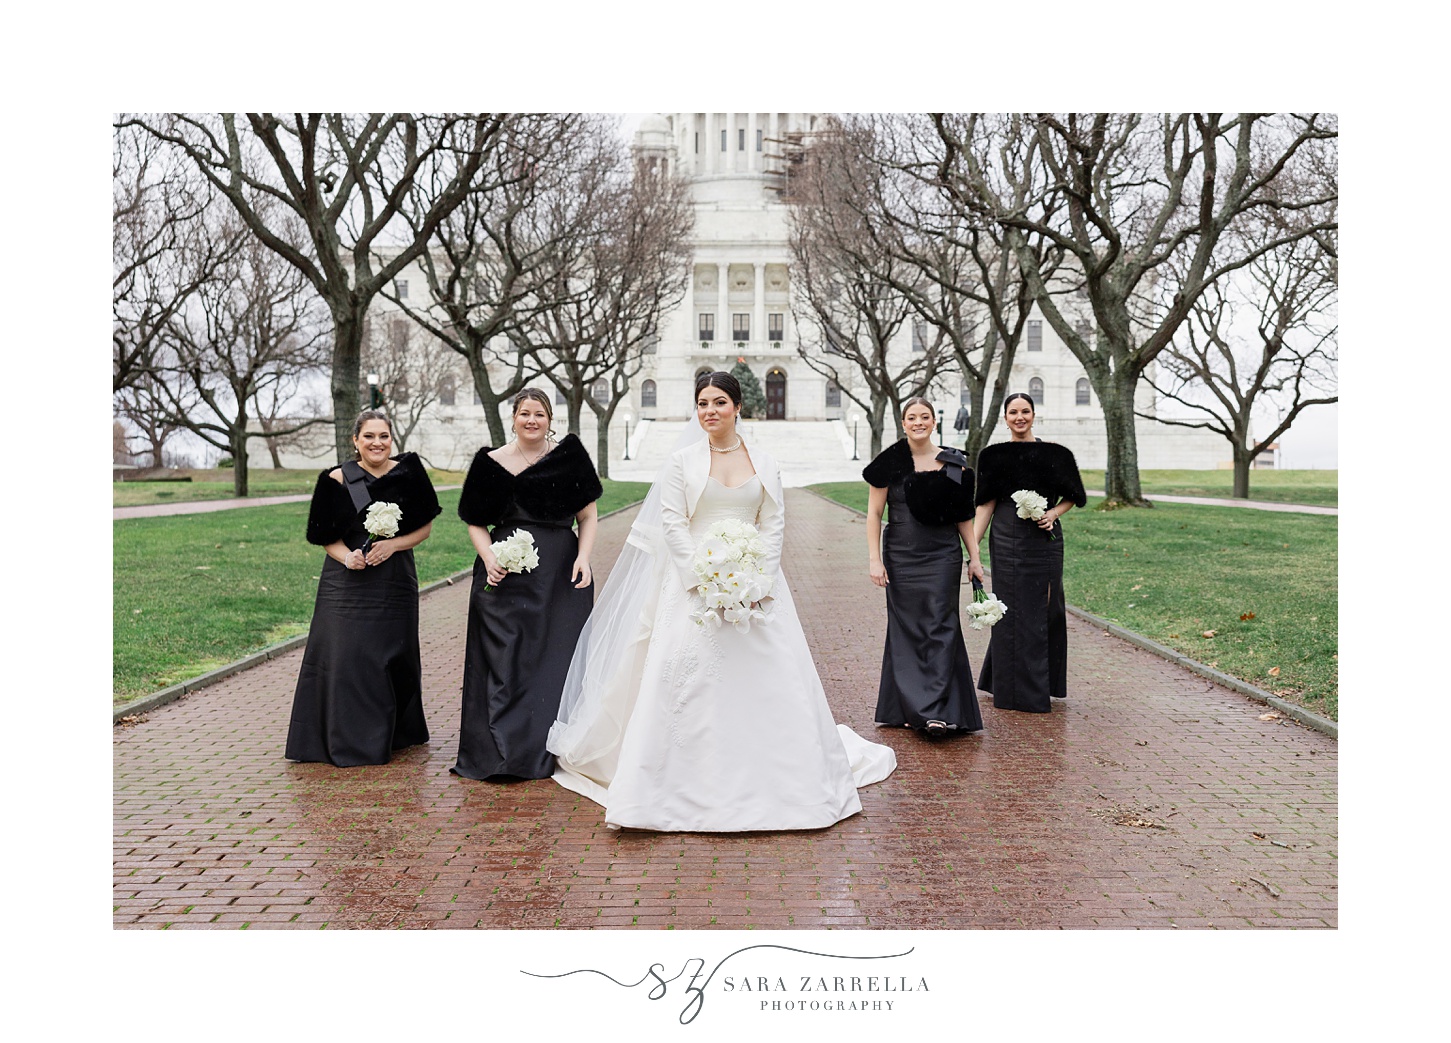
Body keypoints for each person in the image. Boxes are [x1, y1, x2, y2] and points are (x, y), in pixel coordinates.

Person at [547, 371, 896, 831]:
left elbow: (772, 523)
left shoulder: (765, 462)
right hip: (692, 586)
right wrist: (703, 582)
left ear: (737, 408)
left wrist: (758, 582)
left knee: (770, 677)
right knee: (683, 678)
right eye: (702, 403)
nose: (709, 411)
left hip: (757, 588)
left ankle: (780, 776)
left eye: (719, 402)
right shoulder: (681, 463)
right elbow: (673, 526)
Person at [453, 388, 602, 782]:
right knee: (506, 659)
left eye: (539, 414)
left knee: (554, 659)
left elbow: (587, 516)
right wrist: (489, 558)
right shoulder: (490, 462)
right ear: (514, 418)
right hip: (503, 576)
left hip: (559, 575)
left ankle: (548, 746)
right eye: (524, 413)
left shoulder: (568, 459)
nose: (531, 420)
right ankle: (501, 749)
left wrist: (583, 557)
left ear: (550, 419)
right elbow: (474, 521)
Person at [286, 410, 441, 766]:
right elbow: (327, 539)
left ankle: (394, 736)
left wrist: (393, 545)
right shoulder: (336, 479)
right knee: (346, 657)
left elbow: (425, 528)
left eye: (384, 436)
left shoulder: (409, 473)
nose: (377, 443)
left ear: (392, 439)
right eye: (369, 436)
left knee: (392, 655)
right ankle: (346, 738)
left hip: (395, 579)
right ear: (355, 441)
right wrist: (347, 558)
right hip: (346, 582)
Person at [864, 397, 983, 740]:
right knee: (907, 630)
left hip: (943, 555)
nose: (918, 422)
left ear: (934, 421)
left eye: (925, 416)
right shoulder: (889, 463)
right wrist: (875, 559)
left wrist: (974, 557)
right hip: (901, 555)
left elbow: (964, 516)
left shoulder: (953, 463)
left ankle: (938, 710)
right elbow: (874, 514)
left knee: (941, 625)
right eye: (911, 417)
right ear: (903, 423)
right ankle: (911, 708)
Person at [970, 393, 1087, 713]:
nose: (1019, 417)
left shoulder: (1056, 454)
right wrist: (973, 551)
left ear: (1034, 414)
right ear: (1005, 418)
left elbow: (1075, 496)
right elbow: (985, 506)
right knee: (1009, 612)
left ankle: (1040, 684)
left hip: (1045, 542)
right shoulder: (992, 456)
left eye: (1025, 411)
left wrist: (1054, 514)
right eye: (1013, 412)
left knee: (1046, 610)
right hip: (1007, 540)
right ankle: (1008, 688)